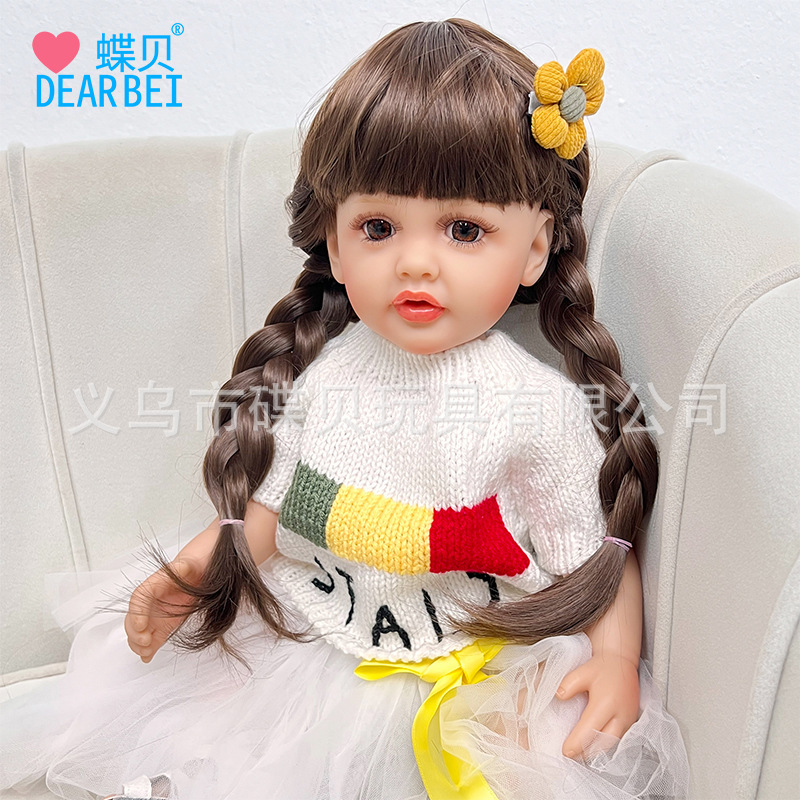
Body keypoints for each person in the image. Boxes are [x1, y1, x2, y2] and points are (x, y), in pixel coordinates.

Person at [0, 18, 689, 800]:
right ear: (334, 243)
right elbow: (280, 501)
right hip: (318, 646)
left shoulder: (539, 409)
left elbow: (595, 557)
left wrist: (614, 657)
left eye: (465, 230)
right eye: (378, 228)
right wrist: (203, 564)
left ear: (535, 249)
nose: (416, 261)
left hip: (478, 670)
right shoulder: (327, 377)